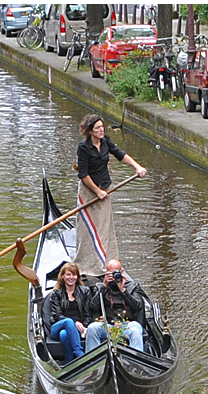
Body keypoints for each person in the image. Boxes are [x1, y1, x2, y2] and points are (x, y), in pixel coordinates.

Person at [74, 114, 147, 276]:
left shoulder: (105, 140)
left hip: (105, 189)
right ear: (90, 131)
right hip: (89, 191)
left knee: (105, 226)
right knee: (89, 227)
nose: (101, 130)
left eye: (102, 127)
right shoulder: (84, 148)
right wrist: (97, 191)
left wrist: (137, 166)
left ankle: (108, 261)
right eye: (97, 128)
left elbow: (120, 154)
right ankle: (88, 265)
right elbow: (83, 174)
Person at [84, 259, 146, 353]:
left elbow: (138, 306)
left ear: (122, 272)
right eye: (110, 273)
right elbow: (93, 306)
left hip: (127, 325)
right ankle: (93, 361)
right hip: (108, 325)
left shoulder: (133, 286)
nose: (114, 276)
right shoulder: (100, 286)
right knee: (92, 328)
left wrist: (123, 290)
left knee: (136, 330)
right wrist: (104, 287)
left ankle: (136, 361)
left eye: (116, 272)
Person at [46, 262, 92, 362]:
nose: (71, 277)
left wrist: (84, 326)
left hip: (79, 329)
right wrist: (75, 323)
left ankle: (69, 361)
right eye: (68, 274)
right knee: (68, 322)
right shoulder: (56, 293)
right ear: (63, 276)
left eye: (74, 274)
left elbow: (88, 314)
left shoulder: (85, 291)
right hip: (57, 326)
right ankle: (80, 354)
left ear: (77, 277)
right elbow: (57, 315)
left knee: (64, 334)